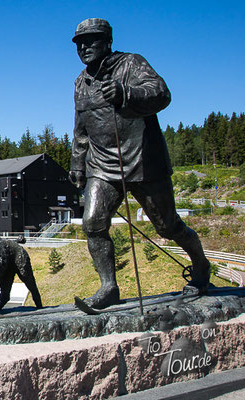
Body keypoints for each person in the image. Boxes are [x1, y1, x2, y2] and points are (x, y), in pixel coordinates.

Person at [69, 18, 211, 309]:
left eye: (91, 41)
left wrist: (126, 93)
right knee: (93, 223)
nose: (84, 48)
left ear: (107, 41)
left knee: (168, 227)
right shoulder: (80, 83)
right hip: (102, 166)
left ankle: (201, 265)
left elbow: (161, 93)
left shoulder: (132, 64)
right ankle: (109, 287)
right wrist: (78, 164)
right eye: (79, 44)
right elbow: (81, 128)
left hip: (143, 161)